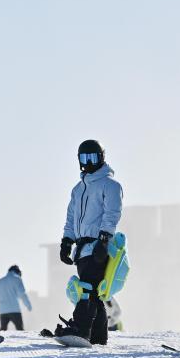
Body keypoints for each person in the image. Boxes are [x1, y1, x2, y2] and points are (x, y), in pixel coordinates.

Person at [49, 139, 123, 345]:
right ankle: (98, 337)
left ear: (102, 157)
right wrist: (66, 241)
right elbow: (71, 218)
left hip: (98, 246)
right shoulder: (78, 189)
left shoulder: (110, 185)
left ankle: (81, 328)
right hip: (82, 249)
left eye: (93, 157)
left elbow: (112, 213)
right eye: (84, 158)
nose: (89, 162)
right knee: (94, 293)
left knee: (87, 289)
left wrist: (104, 239)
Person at [0, 265, 32, 331]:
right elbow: (22, 294)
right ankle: (22, 341)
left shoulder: (0, 281)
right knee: (20, 330)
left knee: (3, 330)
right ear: (17, 272)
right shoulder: (17, 279)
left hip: (3, 311)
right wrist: (28, 305)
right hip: (15, 310)